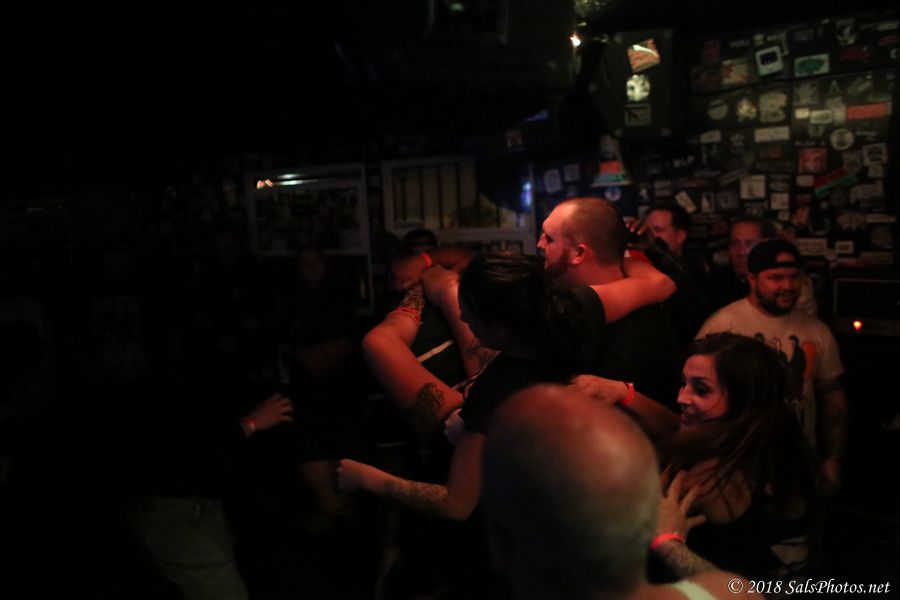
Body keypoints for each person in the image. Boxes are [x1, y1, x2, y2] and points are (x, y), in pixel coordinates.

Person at [336, 252, 675, 522]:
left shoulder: (494, 392)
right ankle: (425, 290)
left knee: (377, 344)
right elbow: (658, 284)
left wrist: (369, 478)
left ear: (496, 329)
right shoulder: (571, 309)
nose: (465, 320)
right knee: (442, 294)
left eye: (470, 316)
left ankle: (416, 296)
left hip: (539, 504)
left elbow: (457, 504)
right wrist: (627, 253)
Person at [573, 333, 820, 581]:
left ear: (743, 398)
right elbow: (677, 430)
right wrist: (624, 393)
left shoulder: (715, 478)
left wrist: (668, 543)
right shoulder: (763, 434)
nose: (681, 397)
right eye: (684, 383)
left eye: (701, 389)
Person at [481, 383, 750, 600]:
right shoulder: (727, 591)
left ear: (500, 545)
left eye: (701, 389)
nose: (682, 397)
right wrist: (669, 545)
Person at [697, 240, 847, 493]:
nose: (787, 286)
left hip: (799, 464)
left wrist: (833, 459)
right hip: (736, 466)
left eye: (794, 277)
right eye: (776, 278)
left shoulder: (817, 331)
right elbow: (697, 398)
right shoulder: (723, 325)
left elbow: (833, 399)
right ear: (752, 279)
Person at [627, 203, 713, 346]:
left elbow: (690, 304)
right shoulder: (638, 265)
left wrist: (654, 247)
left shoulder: (694, 270)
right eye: (646, 229)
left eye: (657, 230)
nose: (648, 234)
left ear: (680, 236)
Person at [708, 217, 817, 317]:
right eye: (735, 244)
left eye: (750, 243)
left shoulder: (784, 283)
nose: (741, 252)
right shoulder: (715, 283)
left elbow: (805, 322)